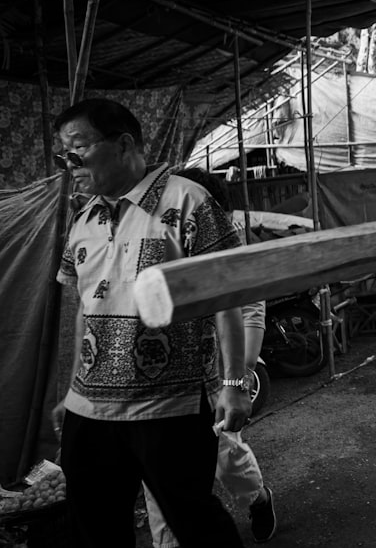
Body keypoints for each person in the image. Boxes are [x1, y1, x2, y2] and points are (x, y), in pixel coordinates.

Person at [52, 98, 249, 547]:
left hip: (168, 409)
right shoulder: (82, 217)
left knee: (195, 523)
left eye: (78, 150)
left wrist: (234, 384)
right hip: (89, 413)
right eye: (63, 155)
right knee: (94, 527)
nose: (70, 165)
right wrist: (70, 390)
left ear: (123, 145)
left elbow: (227, 295)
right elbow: (85, 308)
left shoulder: (187, 200)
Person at [140, 167, 277, 546]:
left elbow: (249, 309)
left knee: (225, 454)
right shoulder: (159, 240)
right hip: (163, 384)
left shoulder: (227, 244)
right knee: (160, 479)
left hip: (214, 378)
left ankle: (257, 498)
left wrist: (239, 375)